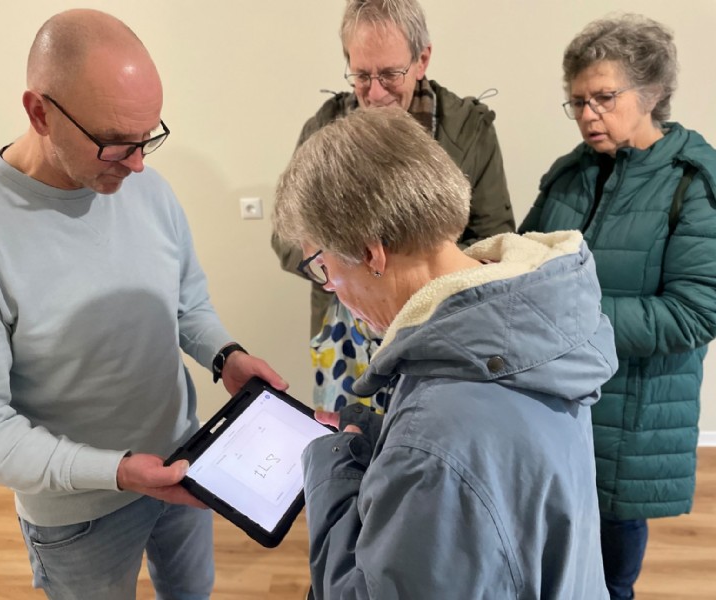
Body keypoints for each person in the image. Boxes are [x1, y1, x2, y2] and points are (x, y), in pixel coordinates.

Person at [0, 9, 286, 600]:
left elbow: (186, 301)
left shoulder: (146, 186)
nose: (139, 164)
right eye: (116, 145)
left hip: (185, 463)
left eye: (149, 139)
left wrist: (225, 355)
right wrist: (115, 471)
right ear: (39, 111)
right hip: (76, 514)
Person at [273, 106, 617, 599]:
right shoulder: (529, 325)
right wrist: (386, 451)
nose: (332, 289)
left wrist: (332, 472)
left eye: (322, 266)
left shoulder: (433, 439)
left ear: (372, 252)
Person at [518, 14, 716, 600]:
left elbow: (695, 313)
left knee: (607, 579)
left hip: (630, 416)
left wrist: (572, 319)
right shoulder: (569, 176)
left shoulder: (692, 184)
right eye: (576, 101)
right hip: (553, 411)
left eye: (604, 97)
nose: (587, 115)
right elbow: (522, 262)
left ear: (652, 92)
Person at [272, 0, 515, 413]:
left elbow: (495, 237)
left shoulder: (467, 128)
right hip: (347, 334)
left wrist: (408, 271)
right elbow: (289, 239)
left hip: (440, 326)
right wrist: (343, 265)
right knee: (347, 444)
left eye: (389, 74)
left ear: (422, 59)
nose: (376, 92)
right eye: (362, 76)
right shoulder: (324, 127)